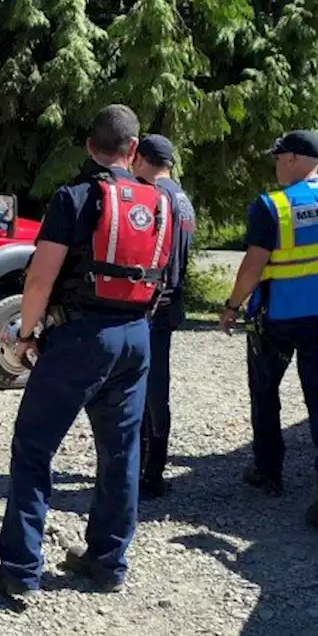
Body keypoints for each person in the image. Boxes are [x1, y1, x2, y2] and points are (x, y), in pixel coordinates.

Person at [0, 104, 173, 597]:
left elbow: (40, 276)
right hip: (135, 337)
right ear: (133, 150)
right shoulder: (160, 202)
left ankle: (21, 570)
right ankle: (108, 562)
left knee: (34, 448)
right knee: (121, 452)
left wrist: (25, 335)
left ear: (90, 146)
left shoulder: (76, 198)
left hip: (79, 338)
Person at [217, 129, 318, 530]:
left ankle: (268, 470)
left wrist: (232, 306)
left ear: (292, 158)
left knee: (265, 391)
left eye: (278, 157)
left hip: (277, 318)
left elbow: (253, 265)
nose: (276, 165)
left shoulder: (273, 206)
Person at [130, 135, 196, 500]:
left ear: (141, 159)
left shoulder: (155, 197)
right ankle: (152, 469)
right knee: (158, 387)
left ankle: (147, 474)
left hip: (152, 305)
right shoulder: (182, 199)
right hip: (171, 303)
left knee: (146, 390)